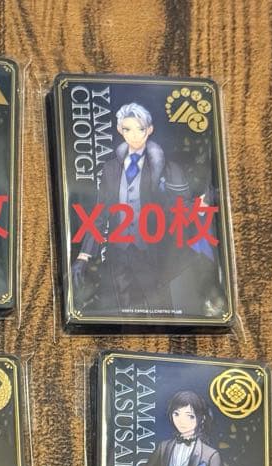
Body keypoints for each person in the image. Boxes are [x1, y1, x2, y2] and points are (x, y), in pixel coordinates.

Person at [72, 101, 190, 312]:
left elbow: (178, 208)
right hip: (119, 252)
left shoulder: (162, 168)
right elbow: (100, 214)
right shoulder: (110, 169)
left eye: (140, 129)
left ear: (149, 130)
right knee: (123, 310)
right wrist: (84, 255)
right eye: (127, 129)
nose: (134, 135)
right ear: (120, 130)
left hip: (151, 250)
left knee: (161, 309)